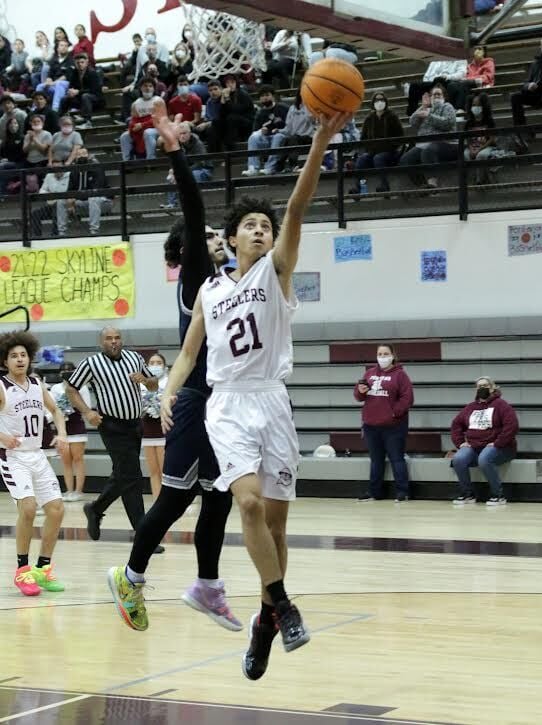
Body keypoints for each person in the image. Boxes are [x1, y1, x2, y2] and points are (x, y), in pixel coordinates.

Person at [158, 108, 350, 679]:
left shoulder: (276, 274)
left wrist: (319, 140)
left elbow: (297, 207)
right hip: (227, 404)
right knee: (245, 503)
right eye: (251, 225)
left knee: (276, 526)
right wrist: (168, 391)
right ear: (233, 236)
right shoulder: (209, 291)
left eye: (266, 225)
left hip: (273, 401)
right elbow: (190, 353)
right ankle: (284, 605)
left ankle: (264, 620)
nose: (261, 229)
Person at [107, 99, 240, 634]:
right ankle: (131, 576)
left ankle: (207, 586)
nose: (213, 241)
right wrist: (176, 152)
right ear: (187, 251)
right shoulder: (196, 279)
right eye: (205, 240)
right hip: (196, 404)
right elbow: (195, 211)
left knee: (220, 498)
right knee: (179, 498)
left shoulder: (230, 285)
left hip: (224, 405)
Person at [66, 327, 160, 544]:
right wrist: (87, 412)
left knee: (122, 475)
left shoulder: (134, 358)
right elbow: (71, 388)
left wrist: (146, 381)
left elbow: (154, 385)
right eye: (109, 339)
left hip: (135, 425)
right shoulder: (91, 363)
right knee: (132, 478)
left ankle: (95, 509)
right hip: (112, 426)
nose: (114, 342)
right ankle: (144, 535)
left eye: (117, 338)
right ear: (102, 343)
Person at [0, 330, 68, 596]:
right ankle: (22, 570)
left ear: (29, 358)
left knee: (57, 509)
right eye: (14, 356)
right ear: (5, 362)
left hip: (37, 455)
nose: (20, 360)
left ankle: (43, 568)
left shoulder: (38, 384)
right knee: (27, 509)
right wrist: (4, 436)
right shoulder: (2, 386)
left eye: (23, 355)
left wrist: (61, 434)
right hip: (13, 457)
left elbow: (56, 410)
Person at [353, 344, 414, 502]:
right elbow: (359, 397)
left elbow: (407, 399)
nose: (382, 356)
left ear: (393, 355)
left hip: (394, 426)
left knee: (396, 458)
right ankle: (374, 492)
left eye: (385, 353)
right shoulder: (369, 373)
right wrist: (360, 391)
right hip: (371, 425)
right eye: (379, 353)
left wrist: (394, 413)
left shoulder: (401, 375)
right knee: (376, 460)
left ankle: (402, 492)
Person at [450, 377, 519, 506]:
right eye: (479, 386)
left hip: (500, 447)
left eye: (485, 385)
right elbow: (456, 425)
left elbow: (512, 426)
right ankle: (467, 494)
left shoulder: (501, 405)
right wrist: (460, 443)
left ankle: (498, 495)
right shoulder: (470, 408)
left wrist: (498, 442)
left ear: (492, 387)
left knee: (484, 458)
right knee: (458, 459)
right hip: (475, 447)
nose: (482, 388)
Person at [399, 84, 457, 188]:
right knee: (405, 160)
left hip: (445, 143)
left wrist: (429, 116)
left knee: (429, 150)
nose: (436, 96)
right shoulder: (426, 109)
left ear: (443, 96)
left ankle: (432, 183)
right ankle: (421, 184)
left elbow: (447, 123)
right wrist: (423, 106)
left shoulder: (447, 107)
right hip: (423, 144)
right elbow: (412, 122)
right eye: (433, 95)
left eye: (438, 94)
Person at [49, 361, 90, 502]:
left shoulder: (81, 387)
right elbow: (52, 408)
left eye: (69, 369)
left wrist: (73, 405)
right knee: (65, 461)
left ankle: (79, 491)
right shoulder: (55, 388)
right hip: (62, 429)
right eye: (63, 370)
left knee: (78, 459)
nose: (66, 372)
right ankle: (69, 490)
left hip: (77, 427)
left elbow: (87, 407)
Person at [349, 92, 404, 194]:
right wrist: (368, 150)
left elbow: (400, 136)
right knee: (362, 159)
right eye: (377, 100)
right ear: (373, 103)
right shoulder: (369, 119)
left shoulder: (392, 116)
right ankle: (358, 187)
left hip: (390, 152)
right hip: (373, 152)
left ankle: (384, 185)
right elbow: (363, 139)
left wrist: (390, 147)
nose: (379, 102)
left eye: (382, 100)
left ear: (385, 102)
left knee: (378, 158)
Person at [55, 147, 113, 236]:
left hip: (103, 202)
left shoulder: (97, 169)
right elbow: (69, 191)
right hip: (83, 203)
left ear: (88, 156)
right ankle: (61, 232)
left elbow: (95, 191)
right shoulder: (74, 172)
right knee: (61, 201)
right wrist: (70, 200)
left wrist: (75, 198)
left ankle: (94, 231)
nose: (81, 156)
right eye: (79, 154)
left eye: (84, 154)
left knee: (93, 199)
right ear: (75, 158)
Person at [259, 90, 316, 175]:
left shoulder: (312, 107)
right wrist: (278, 130)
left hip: (309, 136)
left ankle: (290, 165)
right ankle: (279, 166)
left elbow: (314, 122)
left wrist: (308, 109)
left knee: (292, 139)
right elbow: (288, 129)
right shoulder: (292, 108)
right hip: (295, 137)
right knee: (287, 140)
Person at [159, 121, 212, 210]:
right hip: (187, 169)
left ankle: (194, 204)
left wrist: (184, 171)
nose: (182, 136)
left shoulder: (197, 144)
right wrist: (173, 170)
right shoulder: (177, 144)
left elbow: (200, 163)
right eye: (180, 134)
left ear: (190, 133)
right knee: (172, 178)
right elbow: (175, 160)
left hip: (203, 170)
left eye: (184, 133)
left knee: (192, 176)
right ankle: (171, 203)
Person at [242, 85, 289, 176]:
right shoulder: (260, 113)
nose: (265, 98)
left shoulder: (283, 108)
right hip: (267, 139)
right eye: (262, 96)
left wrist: (279, 130)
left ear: (273, 96)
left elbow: (290, 126)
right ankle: (253, 168)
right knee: (253, 137)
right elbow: (255, 130)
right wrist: (261, 131)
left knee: (278, 136)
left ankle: (270, 168)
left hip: (282, 136)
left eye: (267, 95)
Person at [141, 353, 169, 499]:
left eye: (158, 362)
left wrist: (159, 406)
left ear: (164, 366)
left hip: (164, 429)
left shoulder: (169, 382)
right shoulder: (142, 383)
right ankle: (157, 500)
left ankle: (167, 501)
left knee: (165, 470)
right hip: (147, 430)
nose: (155, 365)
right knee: (153, 470)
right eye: (152, 362)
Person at [119, 77, 161, 160]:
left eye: (150, 86)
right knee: (124, 136)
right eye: (145, 86)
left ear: (153, 88)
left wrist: (142, 125)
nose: (148, 88)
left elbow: (160, 119)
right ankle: (127, 162)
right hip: (141, 128)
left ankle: (150, 159)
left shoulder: (159, 101)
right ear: (141, 88)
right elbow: (134, 119)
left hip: (157, 128)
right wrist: (133, 127)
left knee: (148, 133)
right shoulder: (136, 104)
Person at [446, 45, 495, 112]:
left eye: (479, 49)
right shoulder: (470, 65)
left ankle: (460, 109)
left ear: (484, 51)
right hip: (469, 83)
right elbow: (466, 76)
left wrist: (471, 79)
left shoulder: (489, 63)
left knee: (465, 83)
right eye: (475, 49)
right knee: (452, 85)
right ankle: (451, 109)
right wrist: (468, 79)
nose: (477, 51)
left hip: (482, 84)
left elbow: (487, 77)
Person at [60, 53, 103, 129]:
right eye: (78, 63)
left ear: (86, 63)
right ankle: (62, 120)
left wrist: (78, 92)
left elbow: (93, 90)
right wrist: (70, 92)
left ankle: (87, 122)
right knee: (64, 98)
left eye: (82, 62)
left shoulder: (92, 73)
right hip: (80, 99)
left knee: (85, 96)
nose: (80, 64)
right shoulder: (74, 73)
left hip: (95, 100)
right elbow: (71, 86)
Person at [30, 159, 70, 237]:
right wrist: (49, 196)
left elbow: (68, 191)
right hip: (51, 203)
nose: (57, 170)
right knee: (35, 213)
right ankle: (37, 236)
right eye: (54, 168)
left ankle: (55, 234)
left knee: (57, 207)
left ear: (63, 167)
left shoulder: (69, 175)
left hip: (65, 205)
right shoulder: (49, 176)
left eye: (59, 167)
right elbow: (42, 189)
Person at [464, 92, 496, 185]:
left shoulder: (489, 121)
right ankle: (469, 181)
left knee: (481, 156)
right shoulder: (469, 123)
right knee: (466, 156)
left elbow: (492, 139)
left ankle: (479, 180)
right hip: (472, 147)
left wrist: (479, 149)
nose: (476, 107)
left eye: (479, 105)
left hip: (487, 146)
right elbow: (467, 139)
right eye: (474, 105)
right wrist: (471, 149)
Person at [36, 39, 74, 113]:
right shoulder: (54, 60)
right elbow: (50, 73)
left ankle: (55, 109)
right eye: (62, 45)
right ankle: (35, 108)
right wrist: (48, 80)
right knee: (40, 86)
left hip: (66, 84)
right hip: (55, 85)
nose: (64, 47)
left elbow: (66, 76)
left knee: (59, 84)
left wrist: (53, 83)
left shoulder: (71, 59)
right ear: (57, 48)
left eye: (66, 46)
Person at [219, 75, 255, 151]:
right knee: (217, 121)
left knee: (231, 118)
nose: (230, 85)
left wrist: (227, 98)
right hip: (234, 121)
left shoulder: (242, 94)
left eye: (232, 82)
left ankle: (231, 149)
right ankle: (215, 152)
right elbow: (222, 114)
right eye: (227, 83)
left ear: (236, 83)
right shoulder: (227, 95)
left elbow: (236, 110)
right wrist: (222, 100)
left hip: (247, 121)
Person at [0, 118, 25, 196]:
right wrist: (2, 159)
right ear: (8, 126)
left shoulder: (22, 137)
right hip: (7, 162)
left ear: (18, 125)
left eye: (15, 123)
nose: (13, 125)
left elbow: (22, 154)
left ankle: (3, 194)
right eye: (11, 123)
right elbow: (2, 153)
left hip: (19, 163)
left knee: (1, 167)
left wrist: (8, 160)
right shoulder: (5, 139)